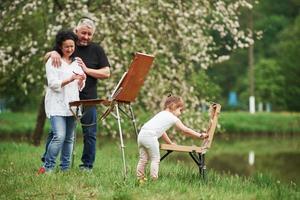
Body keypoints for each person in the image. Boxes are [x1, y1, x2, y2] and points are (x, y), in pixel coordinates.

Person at [43, 17, 111, 171]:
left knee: (89, 133)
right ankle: (46, 162)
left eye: (89, 34)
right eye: (83, 33)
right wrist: (52, 52)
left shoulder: (97, 50)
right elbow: (50, 56)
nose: (86, 37)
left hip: (87, 98)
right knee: (56, 133)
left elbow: (107, 72)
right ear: (76, 31)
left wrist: (86, 72)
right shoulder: (69, 44)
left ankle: (85, 166)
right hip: (64, 99)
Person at [38, 30, 86, 174]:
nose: (70, 49)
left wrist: (81, 80)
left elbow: (80, 86)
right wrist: (70, 79)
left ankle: (65, 168)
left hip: (72, 105)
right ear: (60, 46)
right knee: (59, 136)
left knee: (69, 138)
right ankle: (48, 167)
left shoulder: (76, 62)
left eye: (72, 46)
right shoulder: (53, 60)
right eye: (66, 47)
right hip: (56, 105)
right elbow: (53, 84)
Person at [136, 95, 209, 181]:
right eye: (180, 110)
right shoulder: (172, 118)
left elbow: (162, 131)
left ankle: (140, 179)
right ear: (173, 106)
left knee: (143, 159)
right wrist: (200, 135)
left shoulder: (161, 114)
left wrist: (170, 143)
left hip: (141, 135)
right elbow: (185, 130)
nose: (180, 113)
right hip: (151, 137)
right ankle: (153, 180)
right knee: (155, 159)